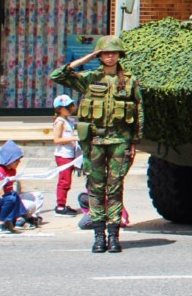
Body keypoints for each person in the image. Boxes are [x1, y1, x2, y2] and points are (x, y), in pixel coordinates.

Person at [51, 36, 142, 254]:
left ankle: (113, 236)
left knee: (115, 188)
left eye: (113, 52)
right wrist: (88, 57)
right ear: (99, 56)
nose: (110, 56)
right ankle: (98, 235)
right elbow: (57, 75)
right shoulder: (90, 78)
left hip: (119, 141)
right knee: (96, 188)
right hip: (95, 141)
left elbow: (138, 111)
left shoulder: (129, 81)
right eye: (105, 53)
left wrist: (135, 141)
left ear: (120, 55)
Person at [51, 94, 81, 215]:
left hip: (71, 155)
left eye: (71, 106)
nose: (70, 108)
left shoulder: (68, 121)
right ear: (59, 109)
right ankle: (60, 206)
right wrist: (75, 138)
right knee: (64, 181)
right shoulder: (59, 122)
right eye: (67, 107)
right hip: (63, 155)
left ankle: (62, 204)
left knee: (67, 181)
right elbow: (56, 140)